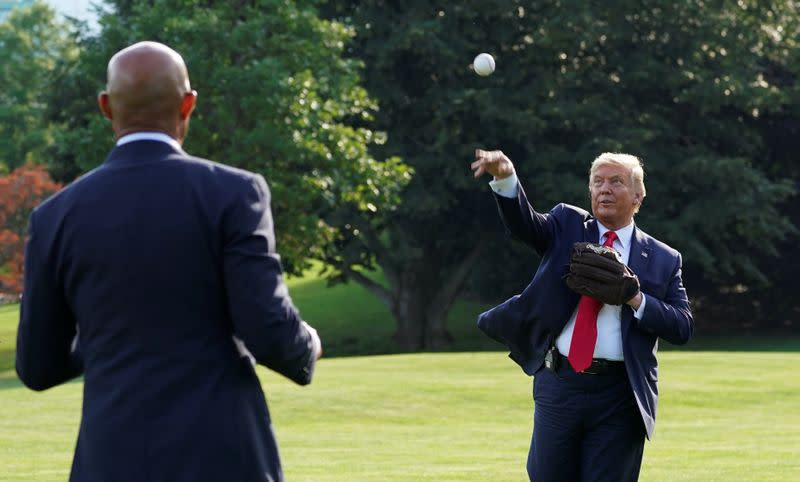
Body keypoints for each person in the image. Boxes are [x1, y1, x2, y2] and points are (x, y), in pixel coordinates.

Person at [15, 41, 321, 482]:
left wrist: (107, 337)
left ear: (106, 107)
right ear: (188, 104)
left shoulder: (55, 216)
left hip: (111, 459)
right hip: (223, 457)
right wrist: (307, 344)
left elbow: (38, 366)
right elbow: (267, 329)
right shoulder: (235, 194)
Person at [471, 149, 693, 481]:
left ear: (638, 195)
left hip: (621, 394)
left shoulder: (663, 258)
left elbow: (682, 326)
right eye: (597, 182)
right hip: (560, 383)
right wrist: (505, 177)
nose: (604, 189)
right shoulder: (566, 224)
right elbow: (524, 225)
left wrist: (634, 297)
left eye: (616, 182)